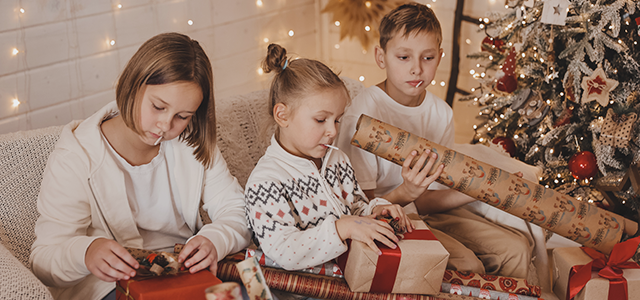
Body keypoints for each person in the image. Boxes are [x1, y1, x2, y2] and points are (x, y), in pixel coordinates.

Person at [30, 32, 252, 300]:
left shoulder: (192, 140)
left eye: (182, 116)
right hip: (109, 286)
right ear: (131, 85)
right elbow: (43, 260)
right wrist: (86, 252)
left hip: (183, 277)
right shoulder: (75, 157)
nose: (166, 125)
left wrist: (215, 239)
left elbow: (236, 210)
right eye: (158, 107)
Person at [336, 3, 532, 278]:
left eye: (427, 58)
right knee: (468, 266)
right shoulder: (364, 114)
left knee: (517, 248)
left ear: (440, 57)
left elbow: (429, 198)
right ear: (381, 57)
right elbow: (362, 205)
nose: (416, 69)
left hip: (424, 212)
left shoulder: (441, 114)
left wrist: (482, 186)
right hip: (383, 218)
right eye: (403, 57)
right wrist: (408, 192)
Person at [244, 44, 416, 270]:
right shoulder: (265, 183)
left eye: (337, 119)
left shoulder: (337, 160)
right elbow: (284, 250)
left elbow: (355, 208)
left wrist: (377, 210)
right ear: (282, 115)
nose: (333, 131)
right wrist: (341, 228)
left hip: (353, 273)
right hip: (300, 290)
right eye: (320, 120)